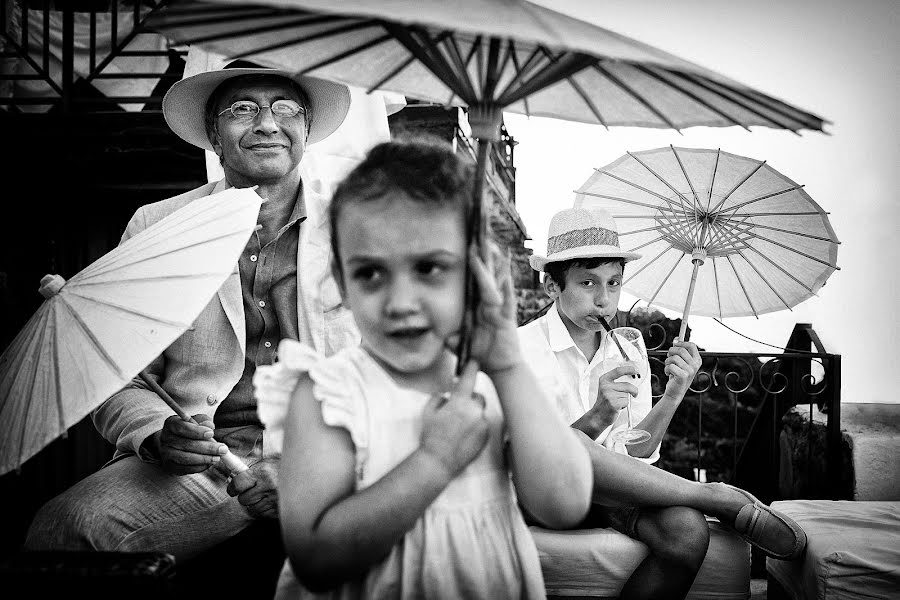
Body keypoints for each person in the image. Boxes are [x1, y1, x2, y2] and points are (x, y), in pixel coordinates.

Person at [24, 61, 359, 561]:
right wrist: (157, 435)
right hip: (209, 461)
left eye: (285, 108)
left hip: (337, 451)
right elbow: (118, 373)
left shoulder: (364, 225)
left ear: (306, 131)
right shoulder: (157, 226)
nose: (267, 123)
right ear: (213, 136)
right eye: (242, 109)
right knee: (67, 529)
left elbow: (400, 371)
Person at [251, 136, 593, 599]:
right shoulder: (328, 395)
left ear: (479, 271)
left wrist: (509, 365)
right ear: (340, 281)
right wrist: (434, 461)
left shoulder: (497, 385)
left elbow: (565, 502)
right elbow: (316, 560)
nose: (400, 302)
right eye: (370, 273)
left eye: (429, 268)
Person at [518, 206, 808, 599]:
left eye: (614, 283)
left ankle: (708, 502)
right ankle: (715, 496)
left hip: (609, 496)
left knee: (688, 533)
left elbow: (639, 451)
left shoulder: (627, 350)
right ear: (553, 286)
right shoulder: (520, 350)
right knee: (568, 443)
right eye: (588, 283)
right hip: (544, 495)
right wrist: (598, 416)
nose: (605, 300)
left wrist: (675, 391)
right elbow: (537, 458)